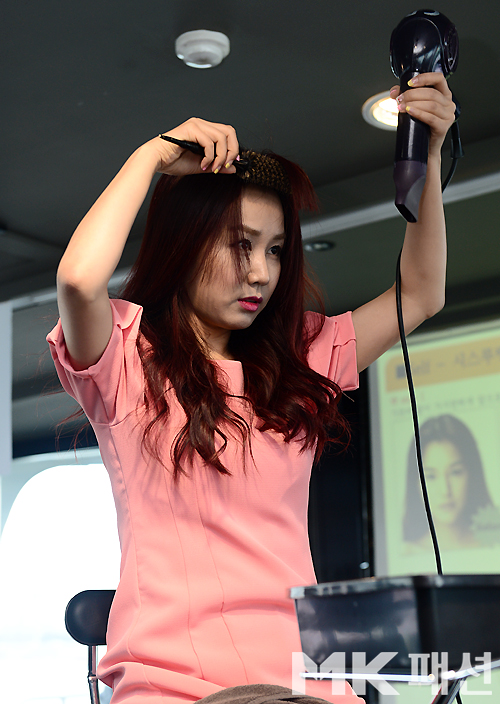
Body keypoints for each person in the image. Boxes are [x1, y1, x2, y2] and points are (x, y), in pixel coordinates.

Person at [48, 72, 455, 704]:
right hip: (174, 685)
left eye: (276, 250)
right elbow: (78, 279)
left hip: (307, 685)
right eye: (241, 246)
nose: (261, 273)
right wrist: (151, 156)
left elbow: (422, 293)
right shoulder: (126, 358)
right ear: (185, 243)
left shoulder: (301, 359)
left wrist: (426, 150)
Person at [403, 414, 500, 550]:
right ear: (415, 483)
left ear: (472, 474)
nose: (445, 490)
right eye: (431, 476)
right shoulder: (408, 552)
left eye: (455, 472)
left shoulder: (494, 544)